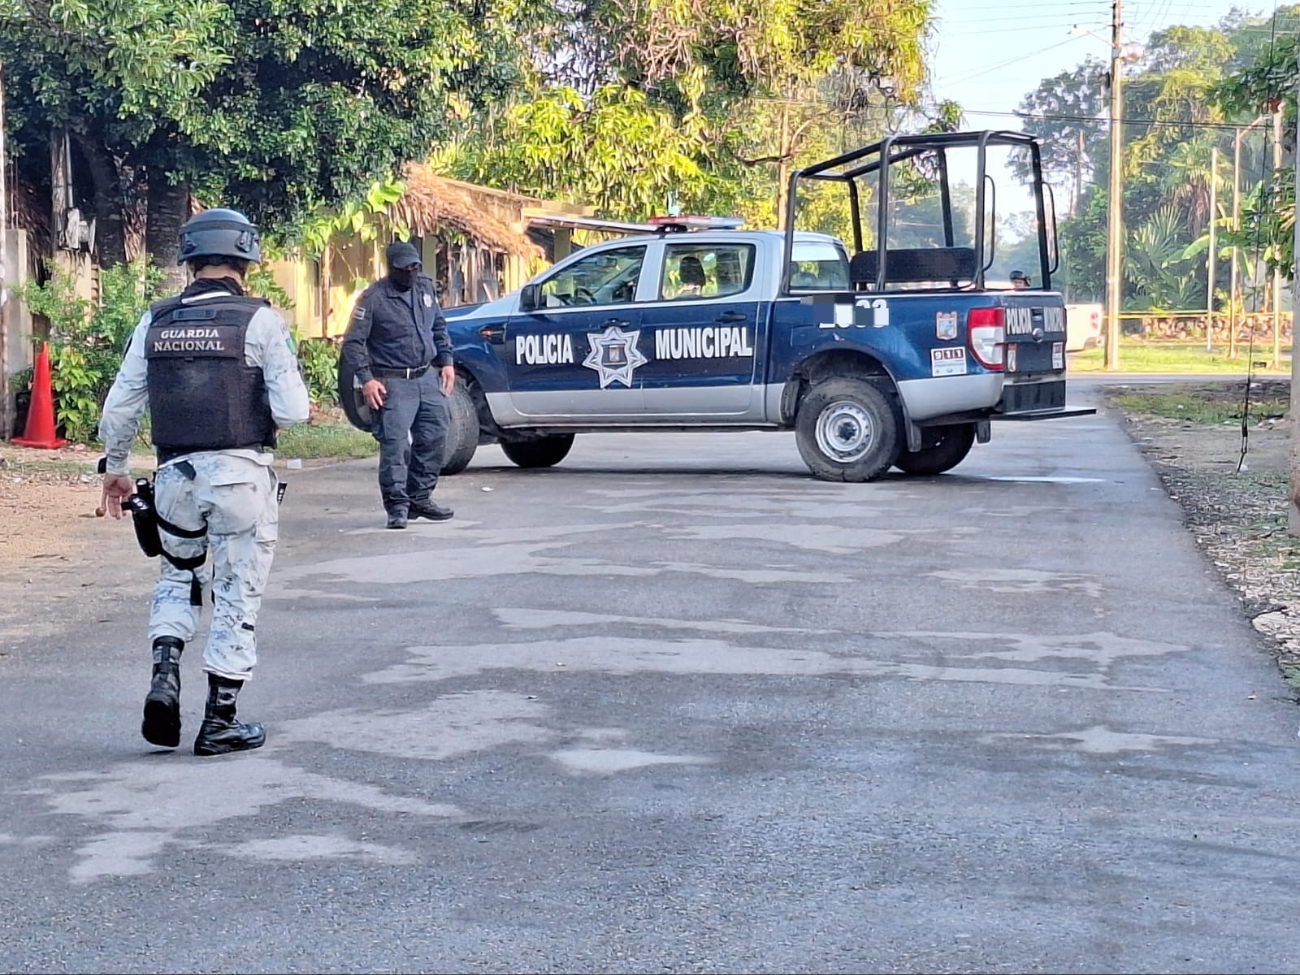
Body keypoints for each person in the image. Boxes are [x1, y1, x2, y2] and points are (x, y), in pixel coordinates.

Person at [98, 207, 311, 756]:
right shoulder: (260, 321)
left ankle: (165, 673)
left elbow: (120, 407)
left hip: (174, 477)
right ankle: (220, 721)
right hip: (241, 479)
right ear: (246, 261)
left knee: (177, 576)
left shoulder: (156, 321)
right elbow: (293, 412)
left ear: (189, 261)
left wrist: (116, 470)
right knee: (237, 590)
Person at [342, 241, 456, 530]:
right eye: (404, 268)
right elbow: (353, 344)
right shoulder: (373, 298)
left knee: (434, 436)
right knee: (394, 447)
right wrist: (367, 380)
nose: (410, 272)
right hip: (392, 381)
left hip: (427, 377)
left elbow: (439, 327)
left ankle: (420, 497)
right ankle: (397, 506)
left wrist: (447, 361)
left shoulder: (425, 288)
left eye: (415, 267)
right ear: (391, 268)